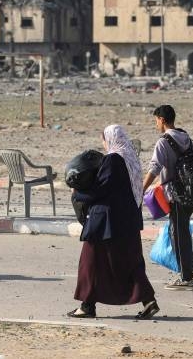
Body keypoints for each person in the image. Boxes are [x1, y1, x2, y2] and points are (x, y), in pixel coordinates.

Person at [69, 125, 159, 319]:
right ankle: (148, 301)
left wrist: (79, 194)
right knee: (130, 262)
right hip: (129, 220)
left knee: (91, 261)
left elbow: (103, 189)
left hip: (109, 222)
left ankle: (87, 306)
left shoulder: (113, 159)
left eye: (103, 140)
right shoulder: (130, 158)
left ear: (109, 139)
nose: (103, 144)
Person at [142, 104, 193, 290]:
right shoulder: (185, 136)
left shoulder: (163, 141)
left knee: (178, 233)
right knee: (178, 230)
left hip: (177, 194)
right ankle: (192, 268)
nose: (156, 125)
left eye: (156, 121)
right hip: (192, 191)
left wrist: (142, 189)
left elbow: (154, 168)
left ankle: (186, 277)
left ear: (161, 119)